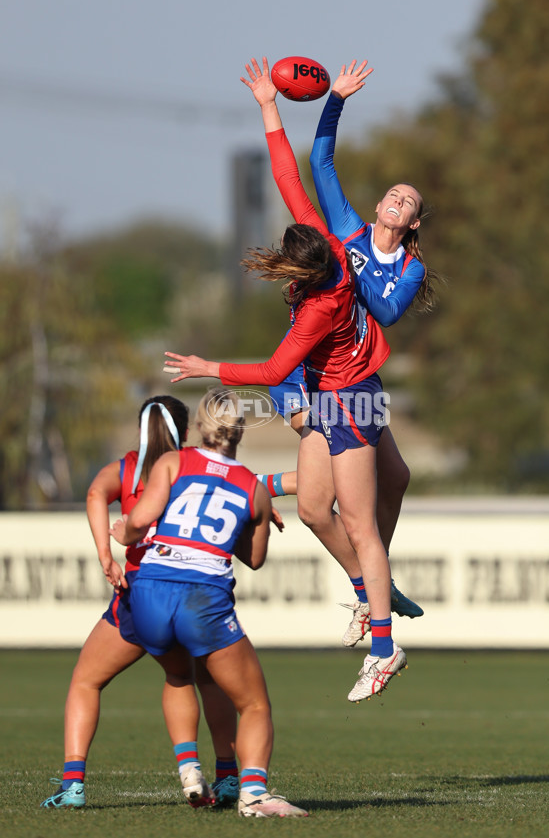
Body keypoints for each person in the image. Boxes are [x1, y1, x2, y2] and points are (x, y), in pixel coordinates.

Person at [163, 56, 408, 703]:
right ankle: (371, 596)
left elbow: (274, 370)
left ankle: (385, 646)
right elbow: (287, 173)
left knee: (360, 526)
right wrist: (268, 105)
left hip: (350, 400)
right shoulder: (325, 240)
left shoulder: (323, 303)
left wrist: (205, 367)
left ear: (305, 273)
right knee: (309, 507)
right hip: (334, 397)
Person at [269, 59, 438, 648]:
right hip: (308, 378)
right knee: (323, 504)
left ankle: (375, 581)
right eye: (392, 192)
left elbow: (387, 312)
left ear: (413, 222)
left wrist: (349, 268)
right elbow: (318, 162)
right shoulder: (347, 229)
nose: (396, 197)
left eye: (407, 199)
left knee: (395, 476)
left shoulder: (408, 268)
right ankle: (370, 591)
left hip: (353, 381)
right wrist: (334, 99)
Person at [109, 387, 308, 817]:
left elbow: (140, 521)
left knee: (179, 677)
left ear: (199, 427)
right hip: (203, 595)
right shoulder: (252, 488)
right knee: (253, 703)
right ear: (239, 432)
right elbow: (254, 559)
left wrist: (121, 533)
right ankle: (254, 794)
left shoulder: (172, 462)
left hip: (150, 591)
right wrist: (250, 518)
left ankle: (189, 771)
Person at [40, 396, 240, 810]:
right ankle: (224, 777)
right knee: (200, 678)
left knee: (86, 680)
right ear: (186, 431)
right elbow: (246, 484)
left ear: (139, 429)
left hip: (140, 596)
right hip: (195, 593)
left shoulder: (127, 469)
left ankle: (73, 786)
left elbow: (97, 492)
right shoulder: (190, 463)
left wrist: (104, 557)